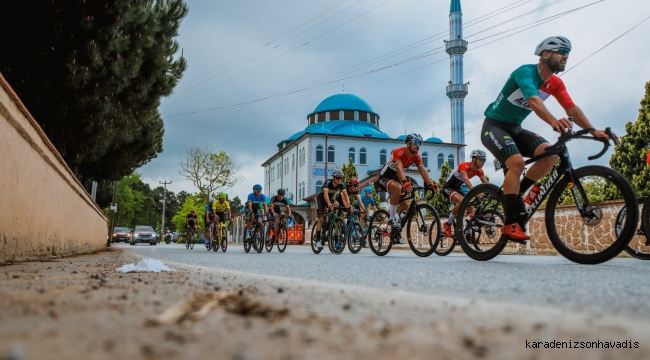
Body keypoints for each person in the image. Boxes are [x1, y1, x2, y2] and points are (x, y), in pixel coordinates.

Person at [481, 36, 613, 241]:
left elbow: (571, 108)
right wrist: (553, 121)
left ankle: (517, 195)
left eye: (568, 52)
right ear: (545, 54)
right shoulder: (525, 72)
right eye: (562, 51)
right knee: (516, 163)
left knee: (550, 154)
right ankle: (509, 223)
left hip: (515, 128)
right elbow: (533, 100)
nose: (566, 56)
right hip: (494, 126)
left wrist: (593, 131)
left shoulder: (555, 83)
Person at [375, 133, 440, 244]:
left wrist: (430, 183)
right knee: (398, 187)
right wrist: (405, 182)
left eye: (419, 143)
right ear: (408, 143)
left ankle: (396, 232)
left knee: (405, 206)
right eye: (415, 143)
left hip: (396, 179)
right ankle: (391, 218)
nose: (418, 146)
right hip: (384, 177)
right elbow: (399, 168)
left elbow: (422, 170)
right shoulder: (398, 152)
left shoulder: (417, 156)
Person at [442, 149, 490, 238]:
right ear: (474, 159)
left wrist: (495, 192)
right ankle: (447, 224)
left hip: (457, 188)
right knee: (462, 201)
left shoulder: (479, 170)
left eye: (485, 160)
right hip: (448, 187)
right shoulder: (464, 166)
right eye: (482, 160)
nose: (483, 162)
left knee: (470, 206)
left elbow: (485, 182)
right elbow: (465, 180)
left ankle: (468, 233)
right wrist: (475, 192)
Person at [313, 169, 346, 250]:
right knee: (321, 219)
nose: (339, 180)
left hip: (331, 199)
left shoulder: (341, 184)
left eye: (340, 178)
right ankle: (317, 240)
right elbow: (325, 194)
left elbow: (346, 195)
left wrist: (348, 205)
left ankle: (336, 240)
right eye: (337, 178)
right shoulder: (328, 183)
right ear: (333, 178)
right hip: (322, 200)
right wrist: (329, 204)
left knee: (337, 205)